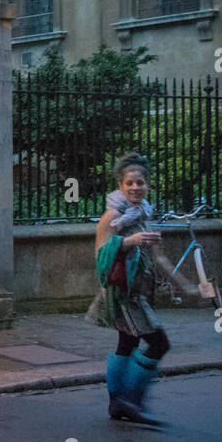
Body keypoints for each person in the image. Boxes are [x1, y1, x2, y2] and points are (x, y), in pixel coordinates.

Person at [86, 152, 190, 425]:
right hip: (122, 294)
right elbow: (100, 257)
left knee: (128, 342)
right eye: (130, 183)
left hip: (137, 291)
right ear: (120, 185)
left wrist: (189, 287)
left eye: (140, 182)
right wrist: (128, 241)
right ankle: (130, 400)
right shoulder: (112, 216)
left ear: (148, 184)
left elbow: (160, 258)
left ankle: (116, 404)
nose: (135, 187)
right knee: (159, 343)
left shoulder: (144, 214)